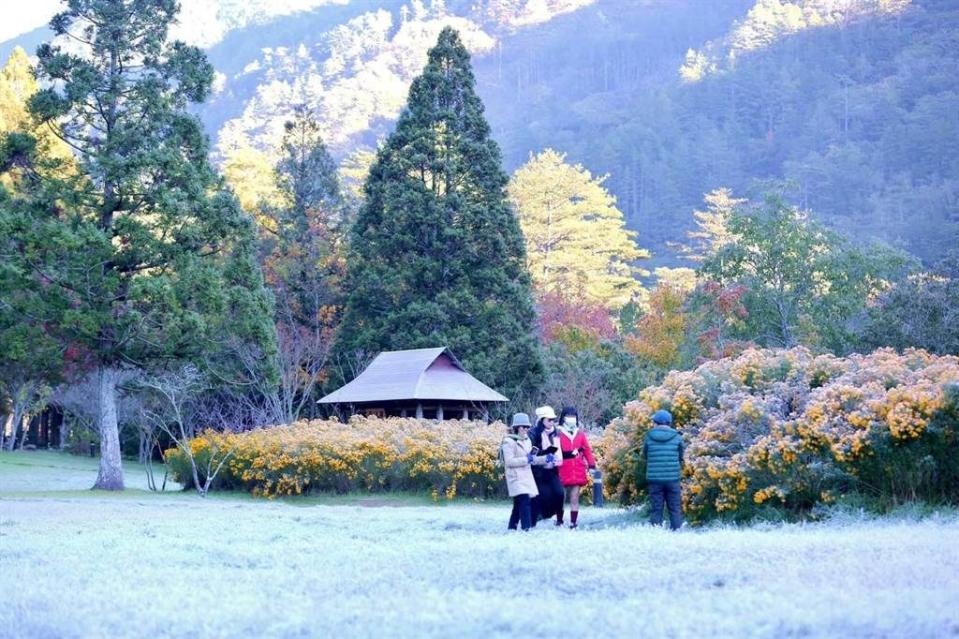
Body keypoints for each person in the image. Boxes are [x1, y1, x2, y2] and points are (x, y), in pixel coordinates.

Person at [501, 412, 544, 531]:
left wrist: (545, 459)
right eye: (523, 427)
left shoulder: (527, 440)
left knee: (518, 505)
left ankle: (511, 528)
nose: (526, 429)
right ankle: (527, 529)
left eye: (527, 427)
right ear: (517, 427)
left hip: (526, 476)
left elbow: (531, 459)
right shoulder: (508, 441)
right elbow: (509, 462)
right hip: (515, 477)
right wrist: (527, 459)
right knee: (525, 502)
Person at [643, 409, 685, 530]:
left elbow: (645, 455)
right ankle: (677, 531)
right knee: (675, 507)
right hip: (673, 479)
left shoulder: (649, 437)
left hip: (654, 479)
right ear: (669, 423)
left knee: (656, 508)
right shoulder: (677, 437)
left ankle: (656, 532)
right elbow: (681, 456)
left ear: (655, 423)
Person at [556, 406, 597, 529]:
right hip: (561, 468)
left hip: (577, 469)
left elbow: (587, 450)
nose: (571, 418)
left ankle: (573, 522)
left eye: (573, 416)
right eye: (568, 416)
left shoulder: (580, 434)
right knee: (560, 497)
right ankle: (559, 520)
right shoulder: (557, 433)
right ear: (563, 417)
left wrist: (591, 465)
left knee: (574, 497)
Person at [529, 405, 565, 526]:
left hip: (552, 470)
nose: (552, 422)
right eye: (549, 420)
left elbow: (560, 451)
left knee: (560, 493)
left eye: (553, 420)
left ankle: (560, 520)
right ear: (541, 420)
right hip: (539, 472)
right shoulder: (533, 434)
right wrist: (545, 455)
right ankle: (536, 518)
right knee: (542, 496)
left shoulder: (555, 433)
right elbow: (530, 456)